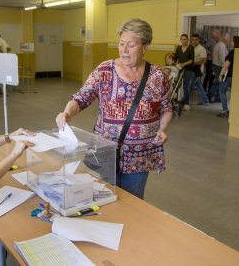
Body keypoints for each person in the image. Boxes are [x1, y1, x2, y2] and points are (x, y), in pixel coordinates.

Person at [56, 18, 173, 200]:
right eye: (121, 44)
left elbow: (166, 108)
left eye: (131, 45)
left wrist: (163, 129)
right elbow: (81, 97)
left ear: (145, 47)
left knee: (133, 202)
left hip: (140, 156)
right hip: (107, 151)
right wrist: (67, 113)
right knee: (108, 198)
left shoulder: (157, 76)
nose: (124, 50)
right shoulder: (104, 70)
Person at [216, 36, 239, 118]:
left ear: (235, 43)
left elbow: (226, 65)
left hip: (228, 76)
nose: (231, 42)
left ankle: (224, 110)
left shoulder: (232, 52)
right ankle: (235, 110)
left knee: (222, 92)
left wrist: (221, 75)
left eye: (232, 41)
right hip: (237, 76)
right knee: (235, 94)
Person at [170, 34, 195, 111]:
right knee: (176, 85)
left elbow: (191, 60)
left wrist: (184, 64)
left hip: (188, 69)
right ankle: (174, 100)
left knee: (185, 87)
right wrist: (172, 62)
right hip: (179, 69)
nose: (183, 41)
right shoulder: (178, 48)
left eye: (185, 39)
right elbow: (175, 58)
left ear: (187, 40)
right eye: (182, 39)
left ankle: (187, 103)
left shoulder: (191, 48)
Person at [187, 34, 209, 106]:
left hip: (197, 70)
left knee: (190, 85)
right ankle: (205, 100)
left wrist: (194, 63)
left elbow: (203, 60)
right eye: (193, 40)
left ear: (198, 40)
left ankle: (184, 99)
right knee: (198, 85)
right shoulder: (191, 48)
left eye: (196, 40)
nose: (194, 41)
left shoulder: (202, 49)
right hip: (192, 69)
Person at [207, 33, 230, 102]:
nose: (229, 40)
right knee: (218, 83)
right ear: (224, 39)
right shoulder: (221, 46)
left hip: (217, 65)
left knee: (219, 83)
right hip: (219, 66)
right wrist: (225, 69)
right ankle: (209, 96)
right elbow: (222, 59)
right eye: (228, 38)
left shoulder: (220, 45)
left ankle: (218, 97)